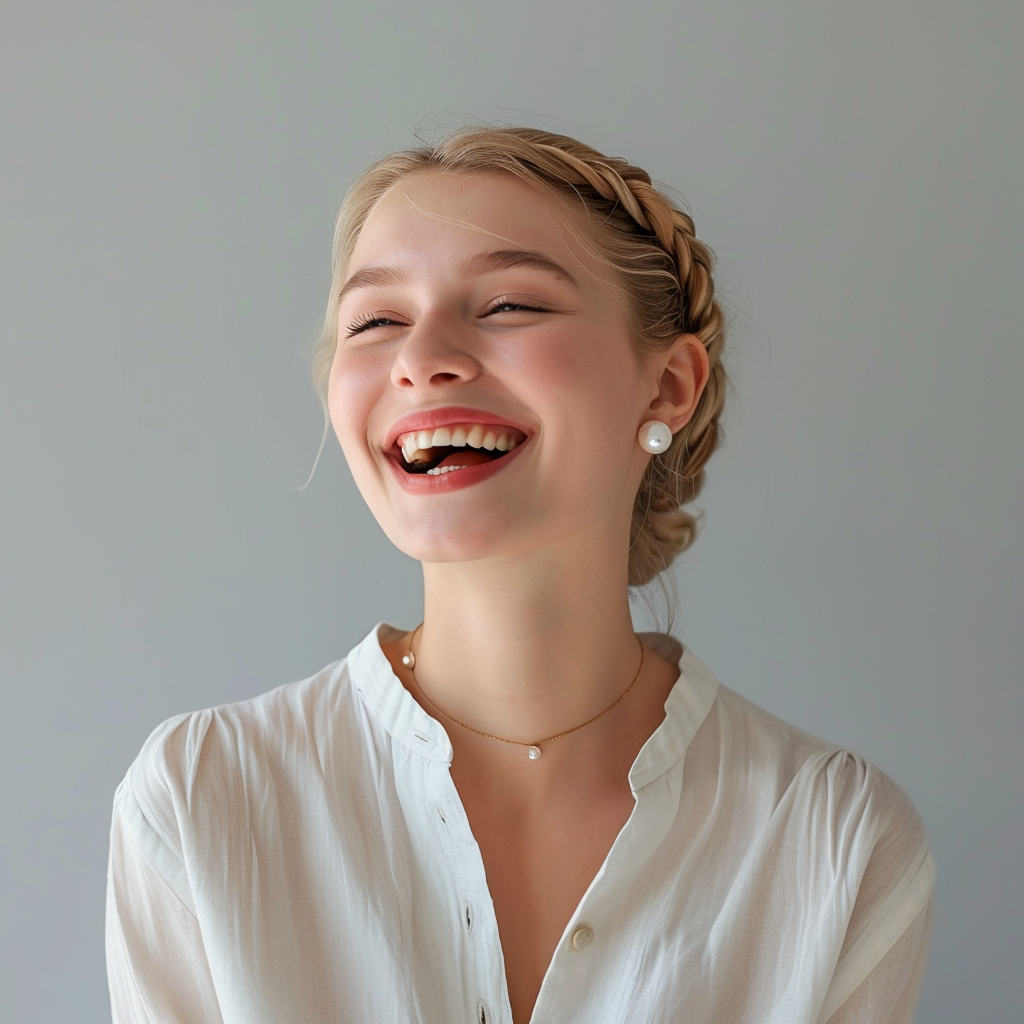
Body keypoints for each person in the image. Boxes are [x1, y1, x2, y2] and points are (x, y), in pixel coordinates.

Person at [105, 126, 935, 1024]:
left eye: (508, 305)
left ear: (666, 387)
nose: (422, 358)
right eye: (377, 320)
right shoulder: (202, 802)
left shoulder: (839, 844)